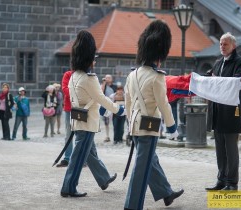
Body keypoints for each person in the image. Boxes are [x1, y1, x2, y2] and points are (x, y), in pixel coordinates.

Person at [124, 20, 183, 210]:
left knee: (151, 160)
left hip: (134, 124)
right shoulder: (157, 77)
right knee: (141, 168)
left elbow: (127, 102)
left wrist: (129, 123)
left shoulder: (132, 75)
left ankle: (165, 192)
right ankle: (132, 205)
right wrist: (172, 127)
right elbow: (163, 104)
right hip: (149, 127)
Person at [60, 30, 124, 198]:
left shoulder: (74, 76)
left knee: (88, 153)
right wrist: (118, 109)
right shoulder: (90, 78)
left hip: (78, 119)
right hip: (88, 123)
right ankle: (68, 187)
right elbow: (101, 98)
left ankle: (103, 179)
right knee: (78, 157)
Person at [205, 32, 241, 191]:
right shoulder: (217, 62)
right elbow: (209, 78)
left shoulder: (240, 62)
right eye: (221, 44)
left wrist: (215, 79)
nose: (222, 46)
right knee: (220, 150)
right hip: (217, 111)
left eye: (225, 44)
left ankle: (232, 183)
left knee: (231, 150)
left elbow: (236, 81)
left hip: (231, 112)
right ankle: (221, 180)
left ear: (233, 46)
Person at [56, 70, 74, 167]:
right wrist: (79, 94)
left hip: (82, 108)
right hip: (69, 108)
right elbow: (65, 89)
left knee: (84, 134)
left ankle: (84, 159)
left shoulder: (86, 74)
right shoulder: (68, 74)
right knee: (68, 134)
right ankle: (67, 158)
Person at [101, 74, 117, 142]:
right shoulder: (103, 86)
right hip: (106, 106)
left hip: (114, 105)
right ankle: (107, 136)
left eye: (109, 77)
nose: (107, 79)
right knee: (106, 122)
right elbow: (101, 92)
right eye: (106, 77)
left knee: (114, 122)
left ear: (112, 79)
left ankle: (115, 136)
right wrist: (104, 83)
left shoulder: (115, 86)